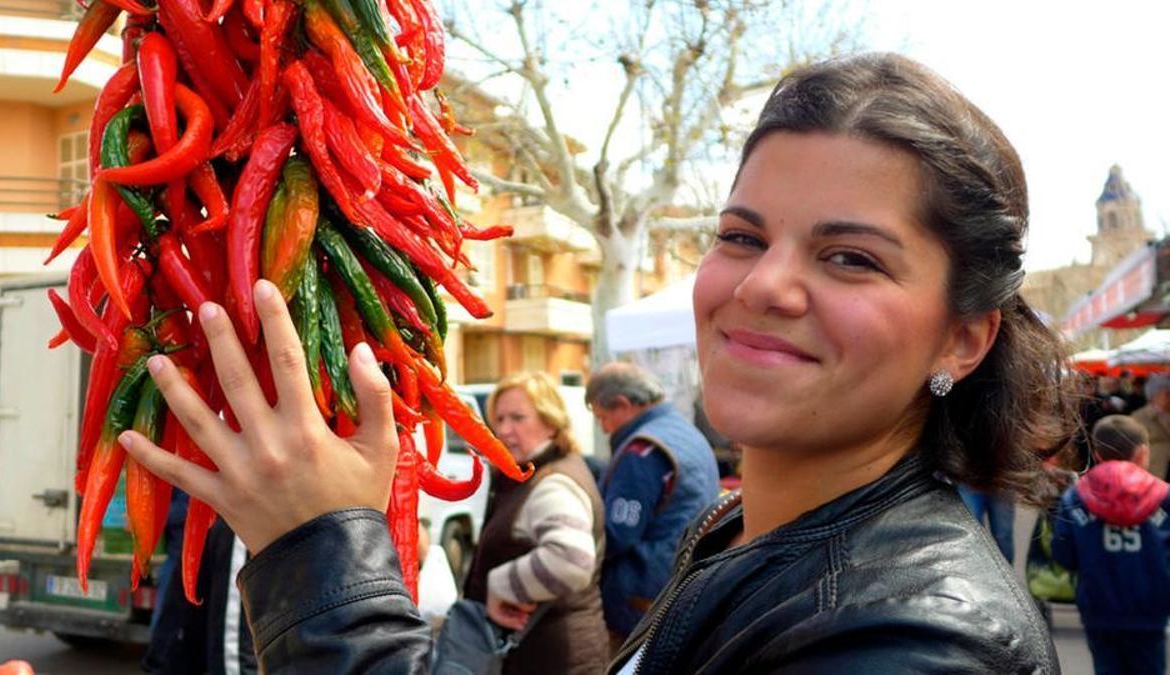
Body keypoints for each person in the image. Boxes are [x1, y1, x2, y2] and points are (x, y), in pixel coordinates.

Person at [121, 52, 1075, 672]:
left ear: (963, 336)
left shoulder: (914, 636)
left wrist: (321, 554)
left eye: (851, 257)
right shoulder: (745, 534)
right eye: (742, 236)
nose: (762, 285)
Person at [460, 371, 608, 674]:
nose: (504, 429)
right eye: (499, 419)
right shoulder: (538, 471)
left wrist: (500, 586)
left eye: (518, 418)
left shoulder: (553, 483)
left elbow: (571, 560)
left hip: (553, 658)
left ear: (551, 422)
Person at [585, 362, 720, 642]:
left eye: (602, 418)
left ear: (622, 404)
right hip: (681, 585)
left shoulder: (642, 451)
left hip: (639, 600)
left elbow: (618, 534)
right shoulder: (685, 432)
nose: (604, 429)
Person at [1051, 415, 1170, 675]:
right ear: (1142, 453)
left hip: (1098, 608)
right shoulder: (1164, 497)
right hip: (1150, 610)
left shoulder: (1076, 497)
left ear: (1097, 454)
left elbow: (1063, 554)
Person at [956, 485, 1016, 563]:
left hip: (1002, 484)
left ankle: (1005, 568)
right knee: (972, 530)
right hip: (968, 483)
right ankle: (979, 566)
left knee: (1003, 536)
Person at [1129, 374, 1170, 479]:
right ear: (1154, 395)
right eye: (1167, 393)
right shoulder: (1139, 417)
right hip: (1155, 472)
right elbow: (1133, 447)